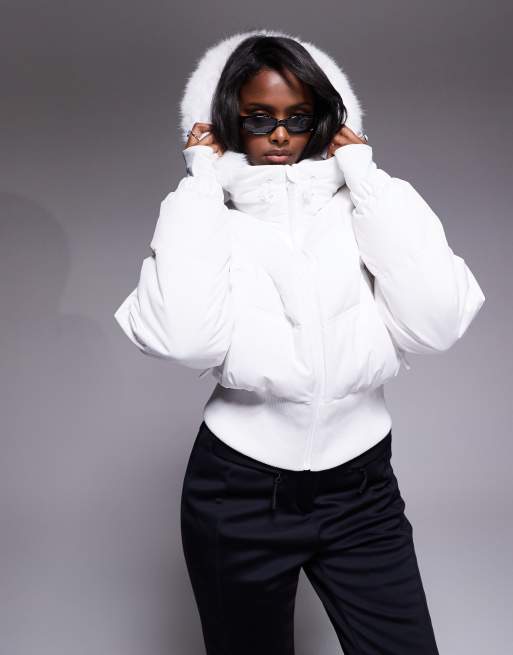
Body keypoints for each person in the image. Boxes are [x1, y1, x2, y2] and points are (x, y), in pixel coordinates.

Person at [114, 29, 485, 655]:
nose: (281, 135)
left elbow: (437, 323)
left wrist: (365, 177)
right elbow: (183, 339)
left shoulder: (361, 207)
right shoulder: (209, 216)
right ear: (228, 121)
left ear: (324, 121)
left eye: (298, 118)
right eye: (259, 119)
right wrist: (201, 181)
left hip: (361, 490)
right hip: (237, 493)